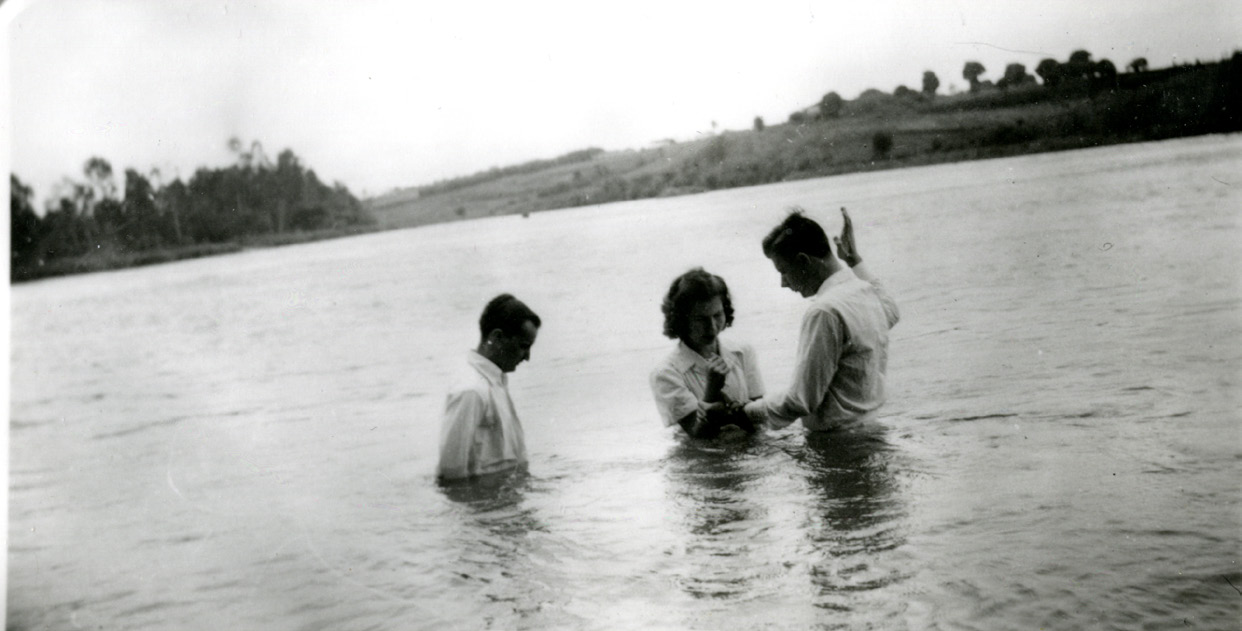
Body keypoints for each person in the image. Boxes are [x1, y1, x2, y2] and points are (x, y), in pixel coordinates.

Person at [743, 207, 899, 431]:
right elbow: (891, 310)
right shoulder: (863, 291)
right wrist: (855, 261)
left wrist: (742, 412)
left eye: (783, 271)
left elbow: (800, 400)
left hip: (838, 444)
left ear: (804, 261)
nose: (783, 283)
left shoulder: (824, 311)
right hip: (872, 428)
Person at [437, 294, 541, 482]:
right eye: (523, 346)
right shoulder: (471, 390)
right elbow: (451, 472)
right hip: (486, 508)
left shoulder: (496, 382)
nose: (527, 357)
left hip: (505, 502)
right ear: (497, 337)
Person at [650, 268, 764, 438]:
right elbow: (699, 437)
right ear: (682, 320)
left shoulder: (742, 352)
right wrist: (711, 392)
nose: (712, 326)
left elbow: (760, 418)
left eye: (717, 315)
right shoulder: (665, 373)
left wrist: (731, 413)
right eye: (700, 319)